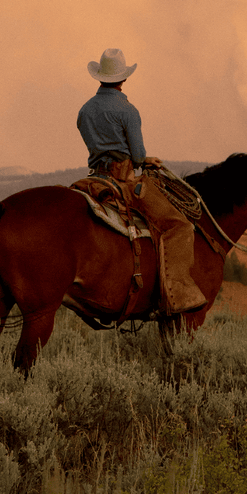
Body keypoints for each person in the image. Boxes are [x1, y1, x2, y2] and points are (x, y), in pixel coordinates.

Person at [76, 48, 206, 314]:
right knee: (179, 226)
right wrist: (144, 160)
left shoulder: (84, 110)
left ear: (100, 77)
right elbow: (136, 155)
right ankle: (178, 295)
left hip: (94, 178)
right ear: (123, 79)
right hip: (123, 180)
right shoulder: (127, 110)